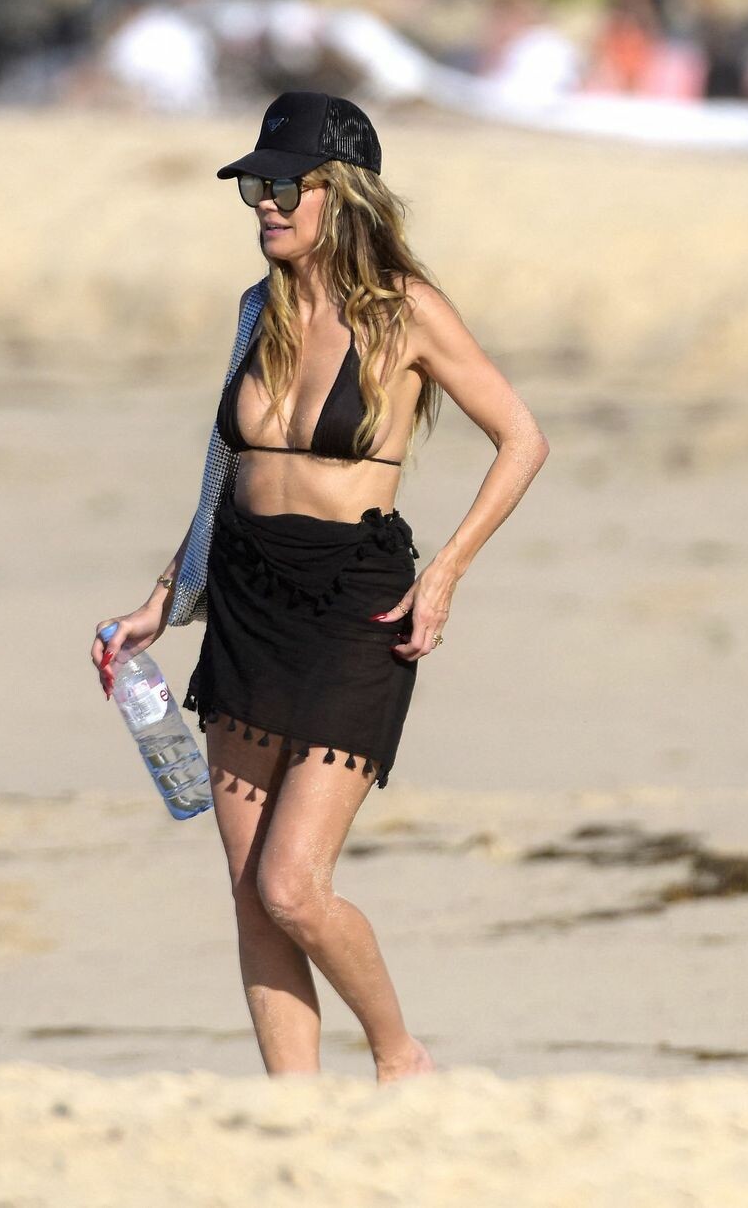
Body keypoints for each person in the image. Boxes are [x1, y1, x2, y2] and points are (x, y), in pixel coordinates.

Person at [92, 92, 549, 1081]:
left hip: (353, 603)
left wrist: (446, 574)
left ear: (341, 194)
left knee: (293, 884)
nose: (265, 202)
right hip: (245, 598)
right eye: (254, 185)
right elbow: (224, 478)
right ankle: (292, 1114)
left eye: (284, 184)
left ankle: (400, 1057)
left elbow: (522, 439)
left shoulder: (406, 311)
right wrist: (163, 600)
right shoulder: (255, 312)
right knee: (249, 891)